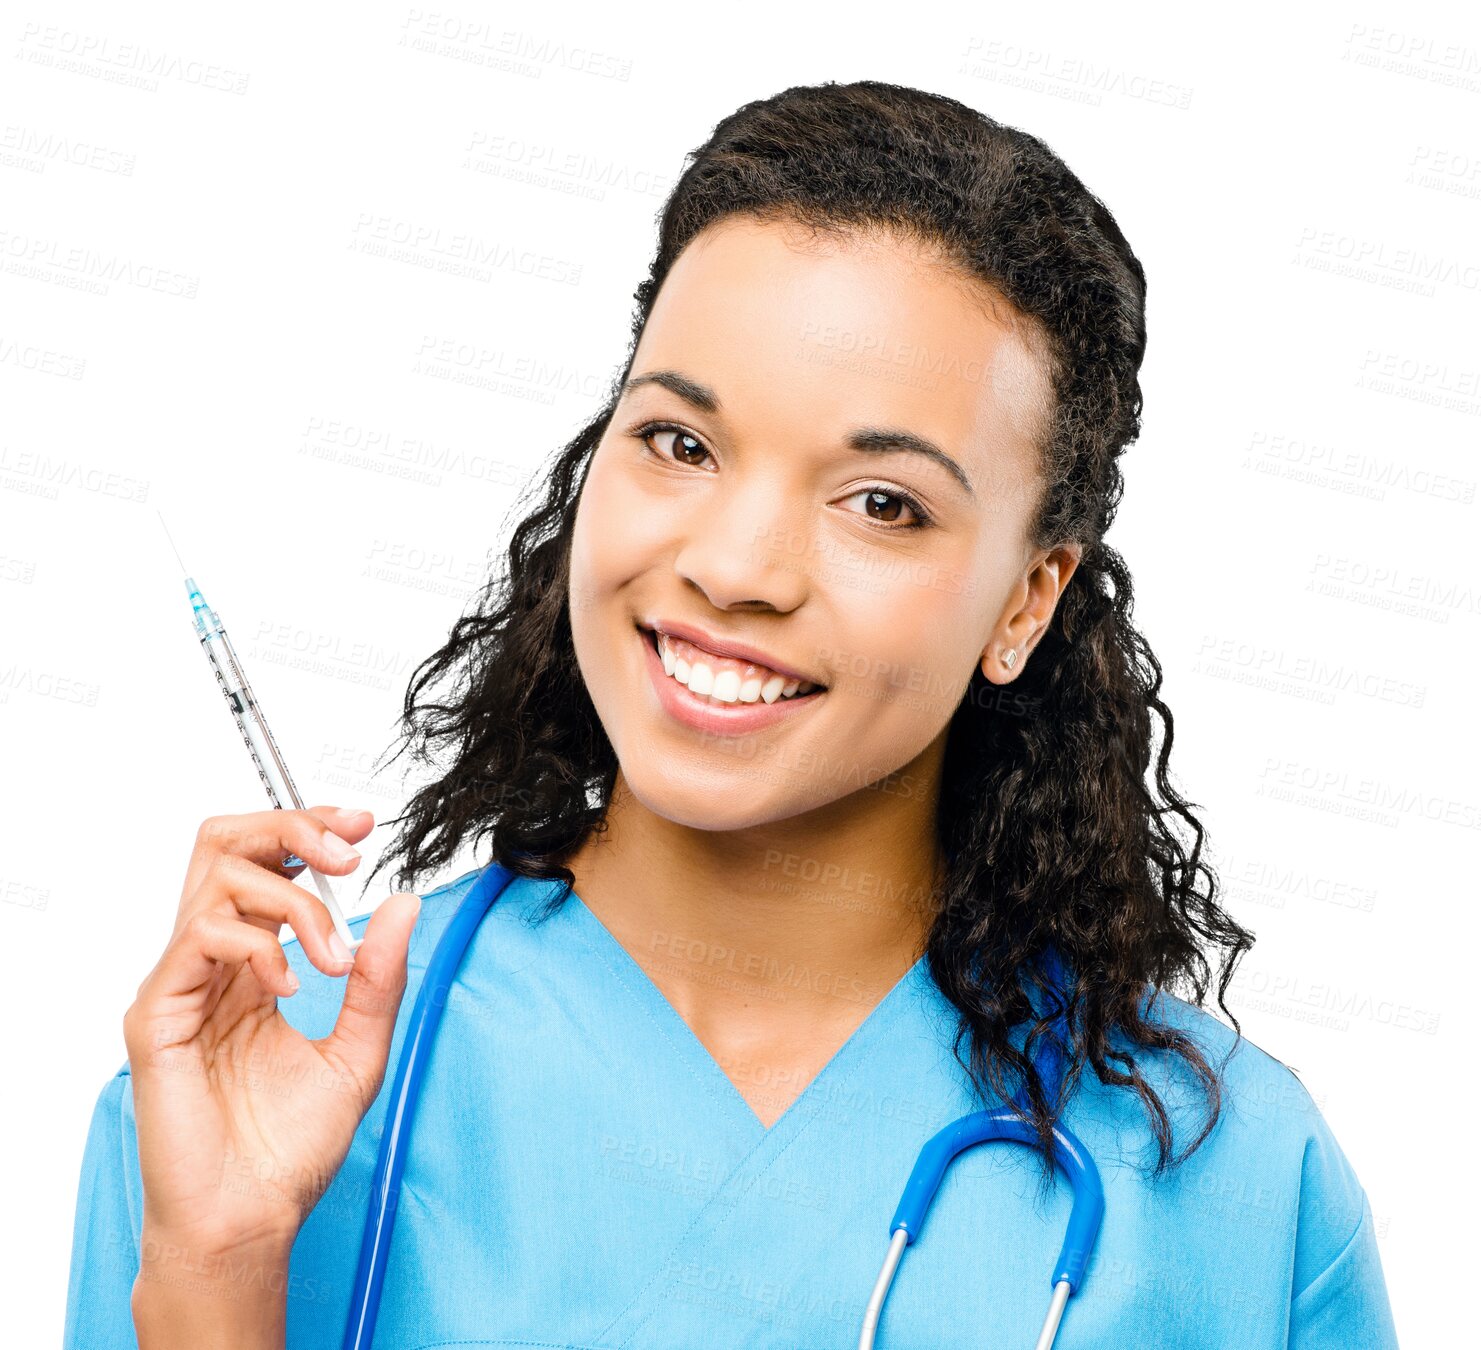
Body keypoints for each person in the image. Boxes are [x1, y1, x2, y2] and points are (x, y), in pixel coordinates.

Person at [64, 80, 1400, 1348]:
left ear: (1025, 600)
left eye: (882, 502)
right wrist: (220, 1271)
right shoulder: (234, 1090)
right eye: (681, 443)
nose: (735, 568)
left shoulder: (1231, 1184)